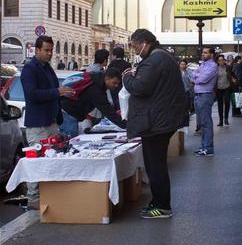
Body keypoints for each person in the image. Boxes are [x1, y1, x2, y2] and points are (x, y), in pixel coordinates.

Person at [123, 29, 187, 219]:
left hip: (156, 122)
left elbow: (140, 87)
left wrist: (127, 76)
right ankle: (157, 201)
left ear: (145, 42)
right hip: (162, 119)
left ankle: (162, 206)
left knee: (155, 165)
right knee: (155, 164)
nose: (135, 51)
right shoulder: (162, 57)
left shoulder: (154, 60)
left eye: (135, 46)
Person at [20, 36, 73, 208]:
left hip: (51, 122)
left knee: (50, 160)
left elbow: (53, 92)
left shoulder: (48, 68)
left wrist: (62, 94)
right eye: (46, 50)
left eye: (51, 50)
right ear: (37, 50)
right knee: (36, 161)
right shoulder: (29, 69)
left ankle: (47, 197)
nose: (50, 53)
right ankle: (33, 198)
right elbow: (32, 94)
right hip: (37, 124)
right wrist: (57, 92)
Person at [60, 67, 127, 131]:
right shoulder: (96, 89)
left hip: (70, 111)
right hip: (69, 113)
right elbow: (108, 111)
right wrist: (127, 125)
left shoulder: (96, 79)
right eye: (114, 83)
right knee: (70, 138)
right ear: (107, 78)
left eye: (118, 84)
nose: (116, 86)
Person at [192, 47, 218, 156]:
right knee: (202, 122)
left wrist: (196, 77)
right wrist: (197, 76)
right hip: (198, 95)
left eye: (205, 52)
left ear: (211, 54)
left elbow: (203, 79)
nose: (203, 54)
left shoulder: (213, 65)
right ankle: (204, 146)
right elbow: (194, 74)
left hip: (205, 95)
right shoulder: (203, 65)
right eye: (202, 52)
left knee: (206, 122)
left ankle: (208, 148)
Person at [216, 55, 237, 127]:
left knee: (227, 102)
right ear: (217, 61)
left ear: (224, 60)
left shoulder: (228, 67)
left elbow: (233, 75)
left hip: (227, 87)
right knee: (220, 104)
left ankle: (226, 119)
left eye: (222, 60)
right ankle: (221, 120)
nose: (221, 61)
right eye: (219, 60)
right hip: (218, 88)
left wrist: (234, 79)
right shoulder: (216, 68)